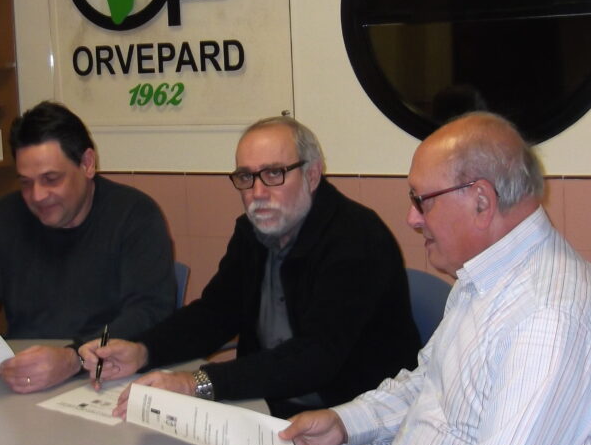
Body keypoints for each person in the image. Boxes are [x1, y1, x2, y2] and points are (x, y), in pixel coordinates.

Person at [231, 112, 591, 445]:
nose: (411, 218)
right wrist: (342, 424)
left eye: (422, 201)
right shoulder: (485, 276)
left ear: (481, 201)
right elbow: (428, 386)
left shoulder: (549, 316)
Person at [83, 116, 420, 423]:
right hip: (264, 403)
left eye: (274, 174)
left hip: (348, 419)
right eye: (246, 177)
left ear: (312, 175)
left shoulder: (356, 238)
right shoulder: (252, 233)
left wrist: (196, 383)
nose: (258, 193)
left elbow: (315, 357)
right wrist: (144, 351)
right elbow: (213, 315)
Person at [0, 101, 175, 394]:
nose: (38, 196)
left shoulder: (135, 215)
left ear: (87, 163)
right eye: (26, 183)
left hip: (107, 379)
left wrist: (74, 358)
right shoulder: (4, 218)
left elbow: (150, 312)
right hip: (25, 378)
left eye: (51, 179)